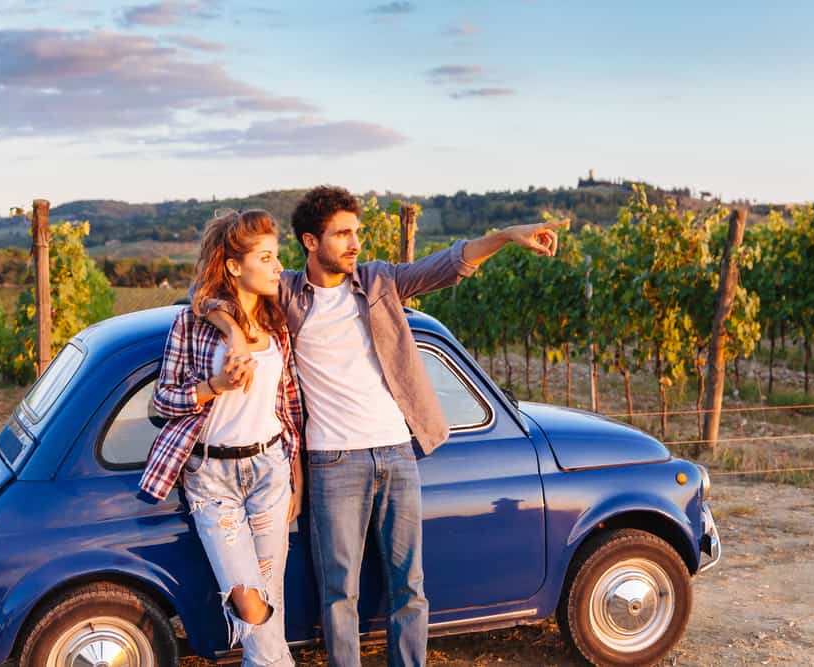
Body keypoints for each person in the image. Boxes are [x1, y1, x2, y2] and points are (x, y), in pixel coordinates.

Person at [204, 186, 568, 667]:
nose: (356, 243)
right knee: (339, 593)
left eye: (358, 232)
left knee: (410, 587)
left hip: (397, 453)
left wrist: (503, 236)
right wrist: (230, 330)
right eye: (343, 234)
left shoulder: (379, 282)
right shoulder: (287, 293)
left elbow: (448, 264)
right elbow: (208, 294)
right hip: (332, 462)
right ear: (311, 241)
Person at [139, 209, 304, 667]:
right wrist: (215, 387)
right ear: (234, 266)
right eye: (266, 258)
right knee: (251, 603)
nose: (277, 268)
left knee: (272, 596)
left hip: (270, 470)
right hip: (212, 479)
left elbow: (289, 404)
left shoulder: (277, 321)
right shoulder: (190, 325)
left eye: (277, 257)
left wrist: (297, 475)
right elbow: (163, 402)